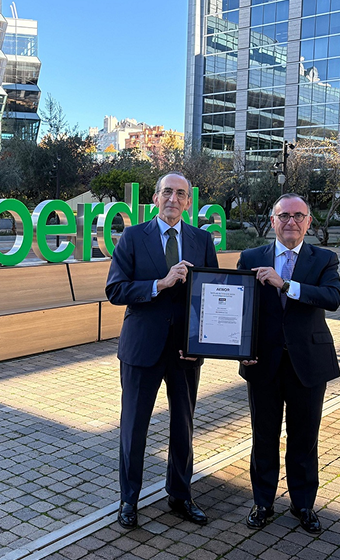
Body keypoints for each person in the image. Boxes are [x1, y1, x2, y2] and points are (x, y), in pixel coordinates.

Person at [105, 172, 219, 529]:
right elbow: (116, 290)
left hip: (186, 350)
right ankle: (128, 499)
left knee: (184, 425)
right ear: (155, 198)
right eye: (167, 191)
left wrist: (206, 341)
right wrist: (160, 283)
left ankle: (180, 495)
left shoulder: (202, 240)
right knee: (134, 426)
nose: (173, 198)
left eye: (180, 193)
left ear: (188, 202)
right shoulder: (133, 237)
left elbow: (213, 294)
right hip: (142, 348)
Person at [236, 193, 340, 534]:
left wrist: (287, 285)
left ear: (308, 222)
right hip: (262, 362)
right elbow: (240, 310)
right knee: (263, 437)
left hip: (307, 364)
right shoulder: (250, 257)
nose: (291, 222)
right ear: (272, 221)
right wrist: (240, 349)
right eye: (283, 216)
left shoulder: (324, 258)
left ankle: (303, 504)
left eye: (298, 216)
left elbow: (332, 297)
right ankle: (263, 502)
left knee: (304, 437)